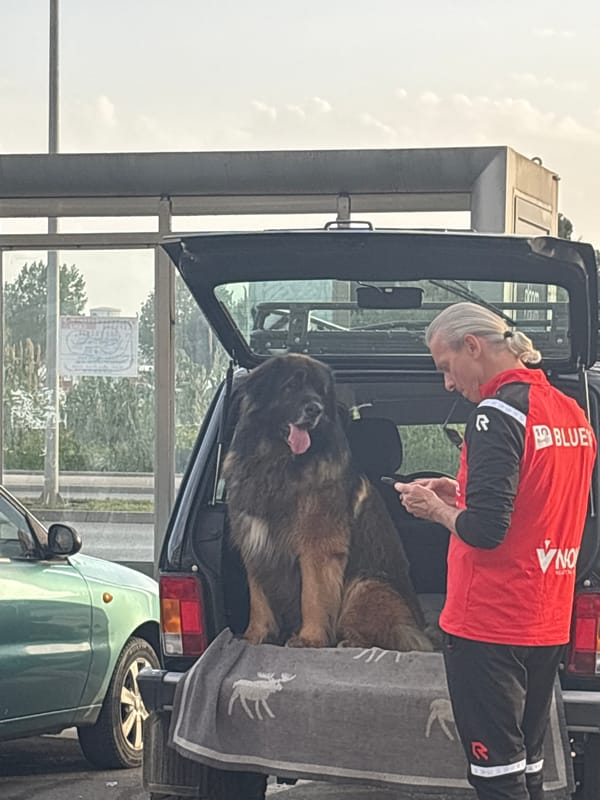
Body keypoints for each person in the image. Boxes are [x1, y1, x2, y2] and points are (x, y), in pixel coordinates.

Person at [393, 301, 596, 800]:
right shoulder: (571, 412)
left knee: (495, 777)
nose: (447, 383)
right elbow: (537, 504)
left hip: (489, 622)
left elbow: (486, 531)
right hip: (546, 619)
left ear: (474, 347)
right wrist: (458, 494)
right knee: (527, 764)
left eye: (446, 367)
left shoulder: (494, 414)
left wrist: (433, 509)